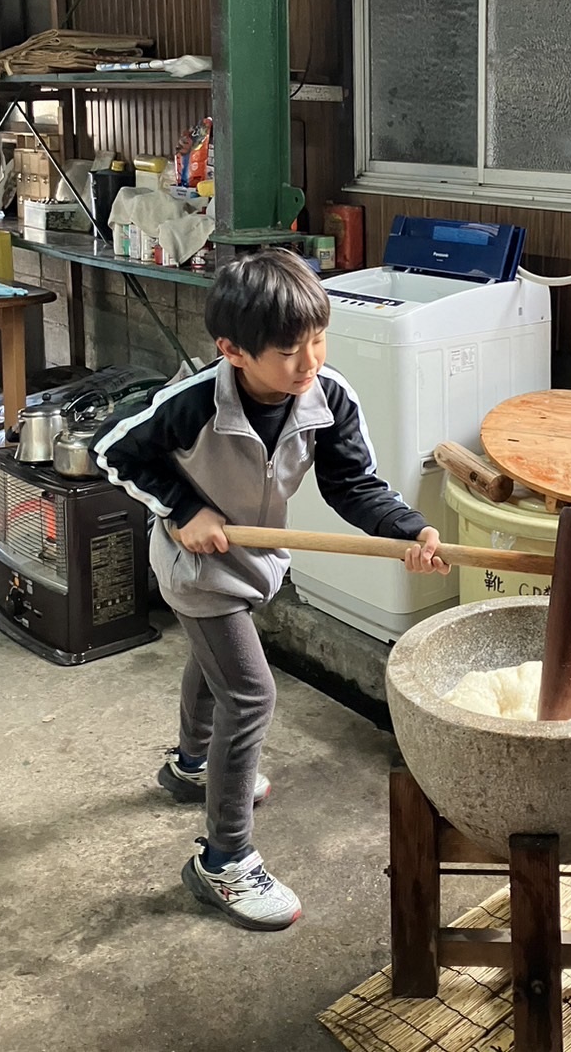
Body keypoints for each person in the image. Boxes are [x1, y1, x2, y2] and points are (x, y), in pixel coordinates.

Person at [94, 248, 445, 931]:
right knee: (250, 691)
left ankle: (193, 763)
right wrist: (181, 509)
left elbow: (351, 482)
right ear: (232, 350)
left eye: (317, 338)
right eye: (288, 349)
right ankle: (222, 860)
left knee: (216, 664)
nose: (308, 361)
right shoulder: (191, 402)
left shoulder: (326, 394)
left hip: (257, 560)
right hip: (196, 567)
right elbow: (116, 451)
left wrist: (406, 529)